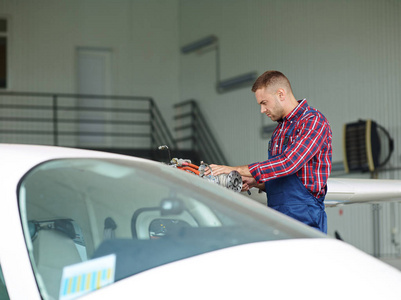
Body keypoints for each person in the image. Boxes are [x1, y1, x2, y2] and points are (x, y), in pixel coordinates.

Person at [206, 70, 332, 233]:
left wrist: (235, 169)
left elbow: (288, 164)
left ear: (281, 94)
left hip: (304, 218)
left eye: (264, 102)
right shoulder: (279, 131)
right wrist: (256, 182)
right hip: (277, 216)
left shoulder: (313, 122)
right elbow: (283, 178)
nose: (262, 110)